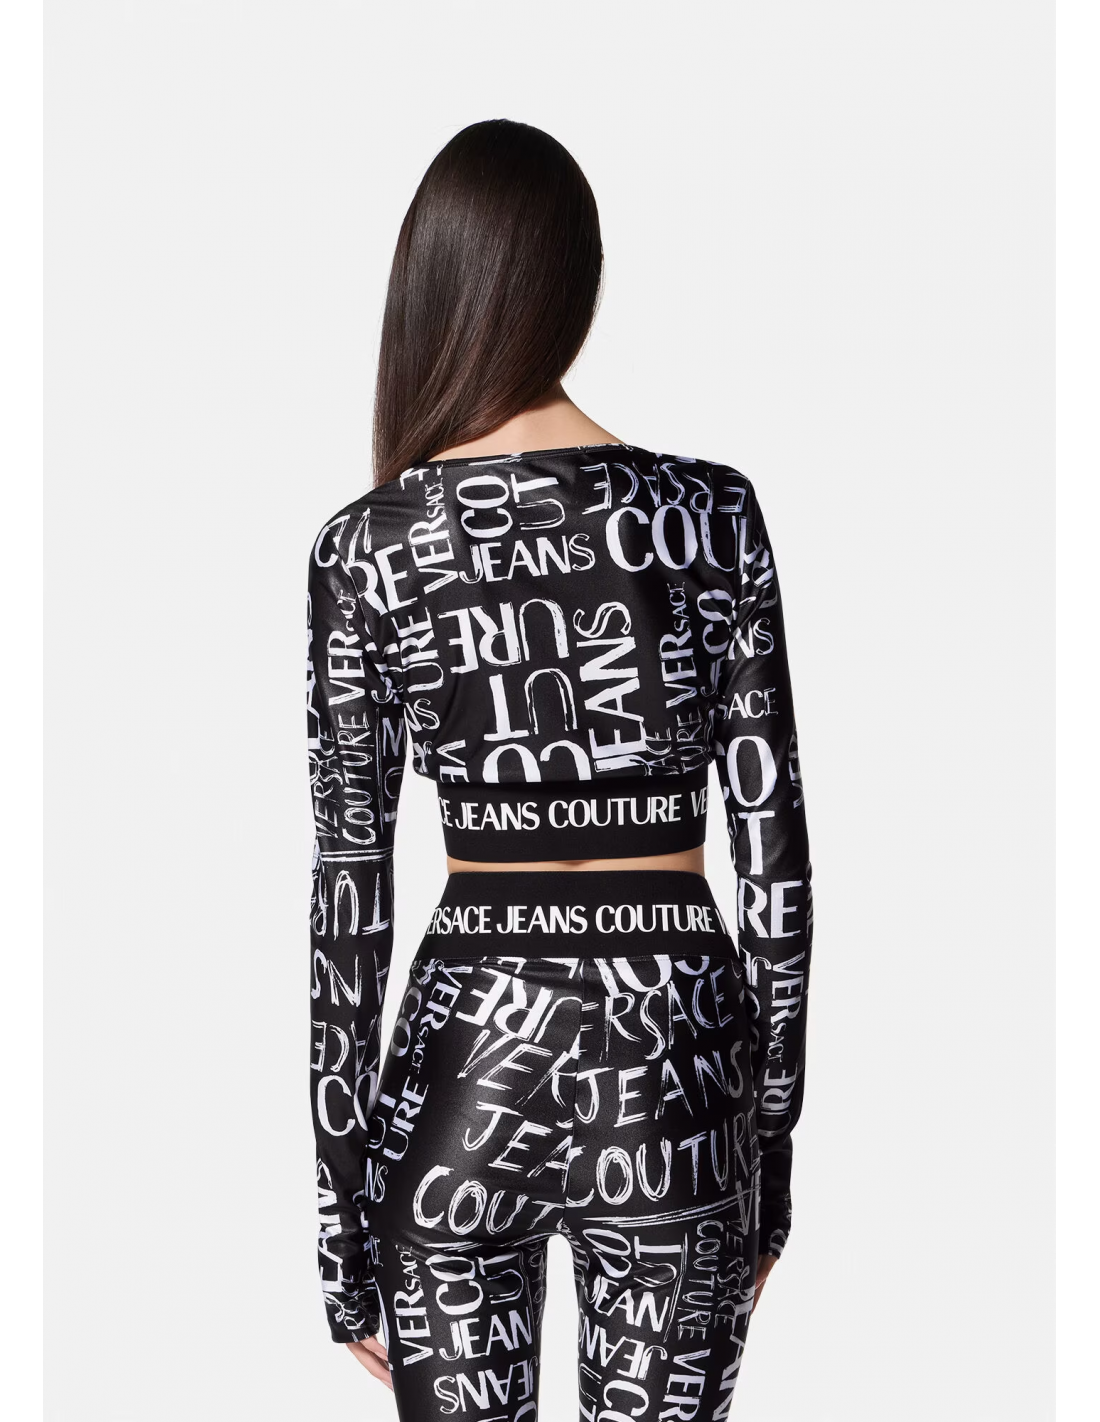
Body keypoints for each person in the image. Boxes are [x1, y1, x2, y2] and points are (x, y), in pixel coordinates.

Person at [305, 118, 812, 1419]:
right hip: (678, 1061)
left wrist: (340, 1214)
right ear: (578, 285)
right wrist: (769, 1152)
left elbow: (350, 900)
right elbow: (778, 872)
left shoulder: (368, 548)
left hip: (465, 1052)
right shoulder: (714, 516)